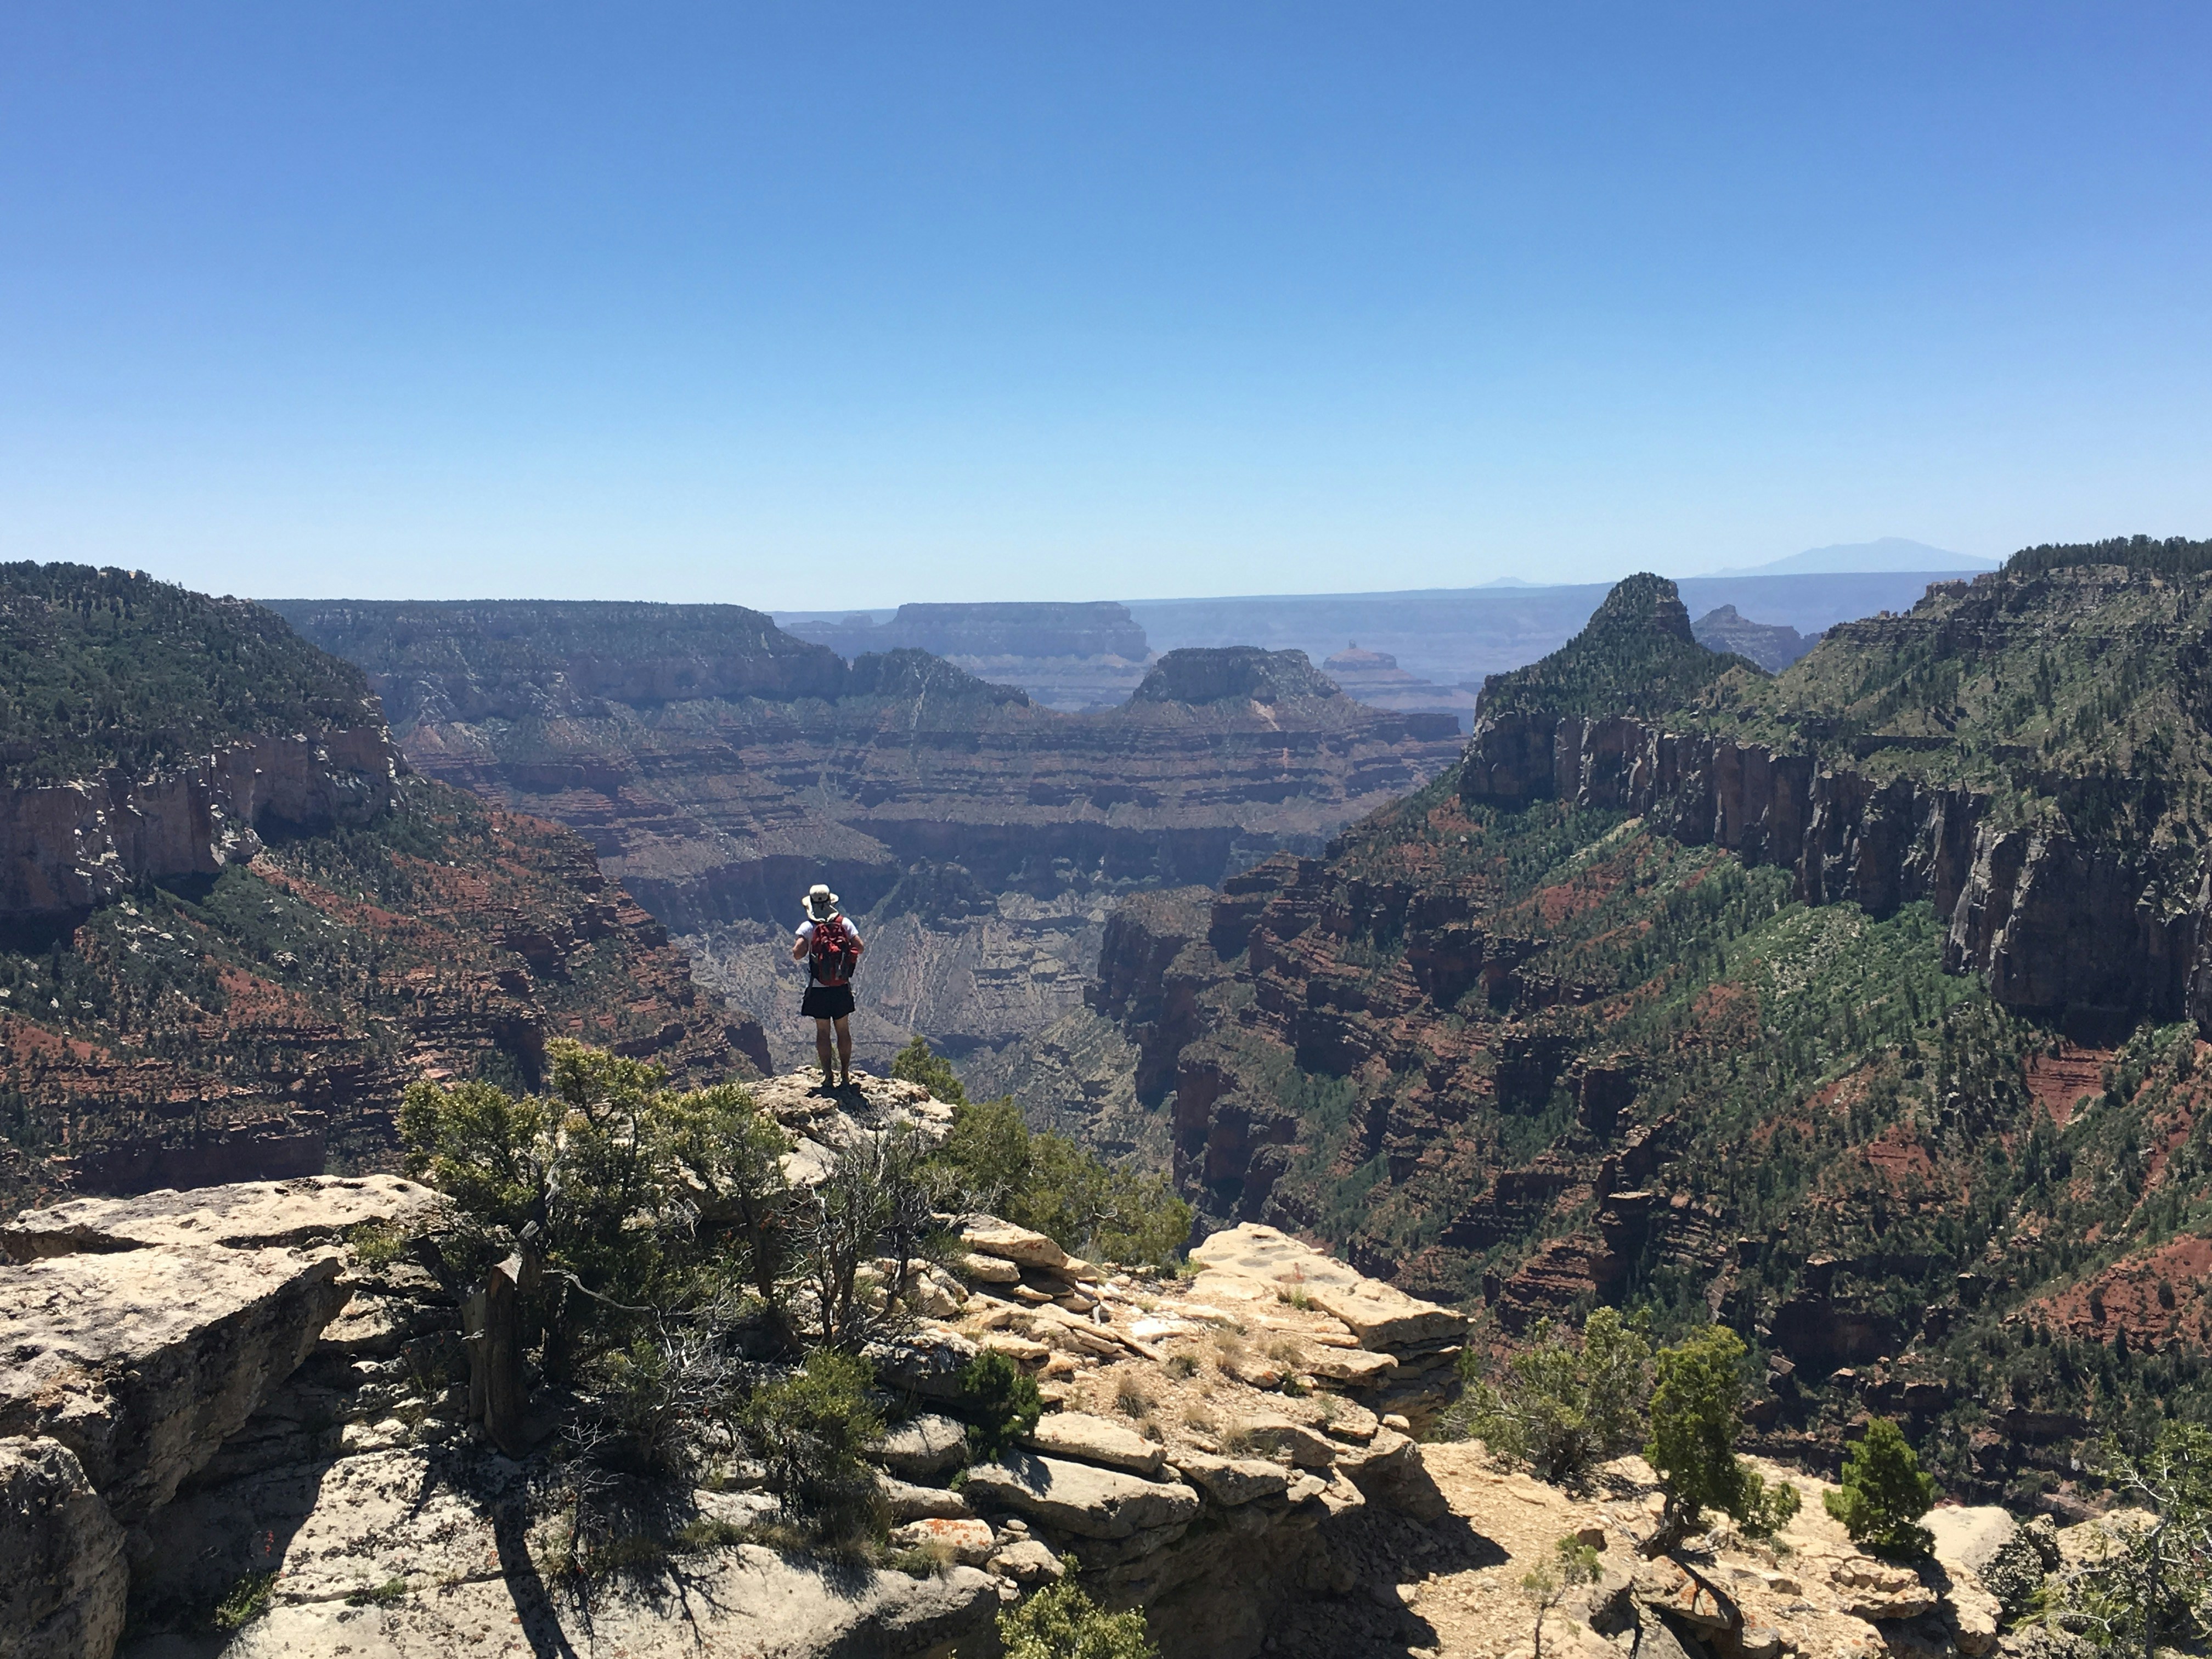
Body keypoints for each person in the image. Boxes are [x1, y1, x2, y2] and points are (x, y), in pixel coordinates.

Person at [791, 883, 864, 1088]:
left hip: (818, 987)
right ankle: (845, 1073)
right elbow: (860, 947)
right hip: (841, 986)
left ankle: (827, 1075)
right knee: (843, 1030)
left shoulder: (808, 927)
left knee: (823, 1032)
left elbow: (798, 954)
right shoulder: (845, 923)